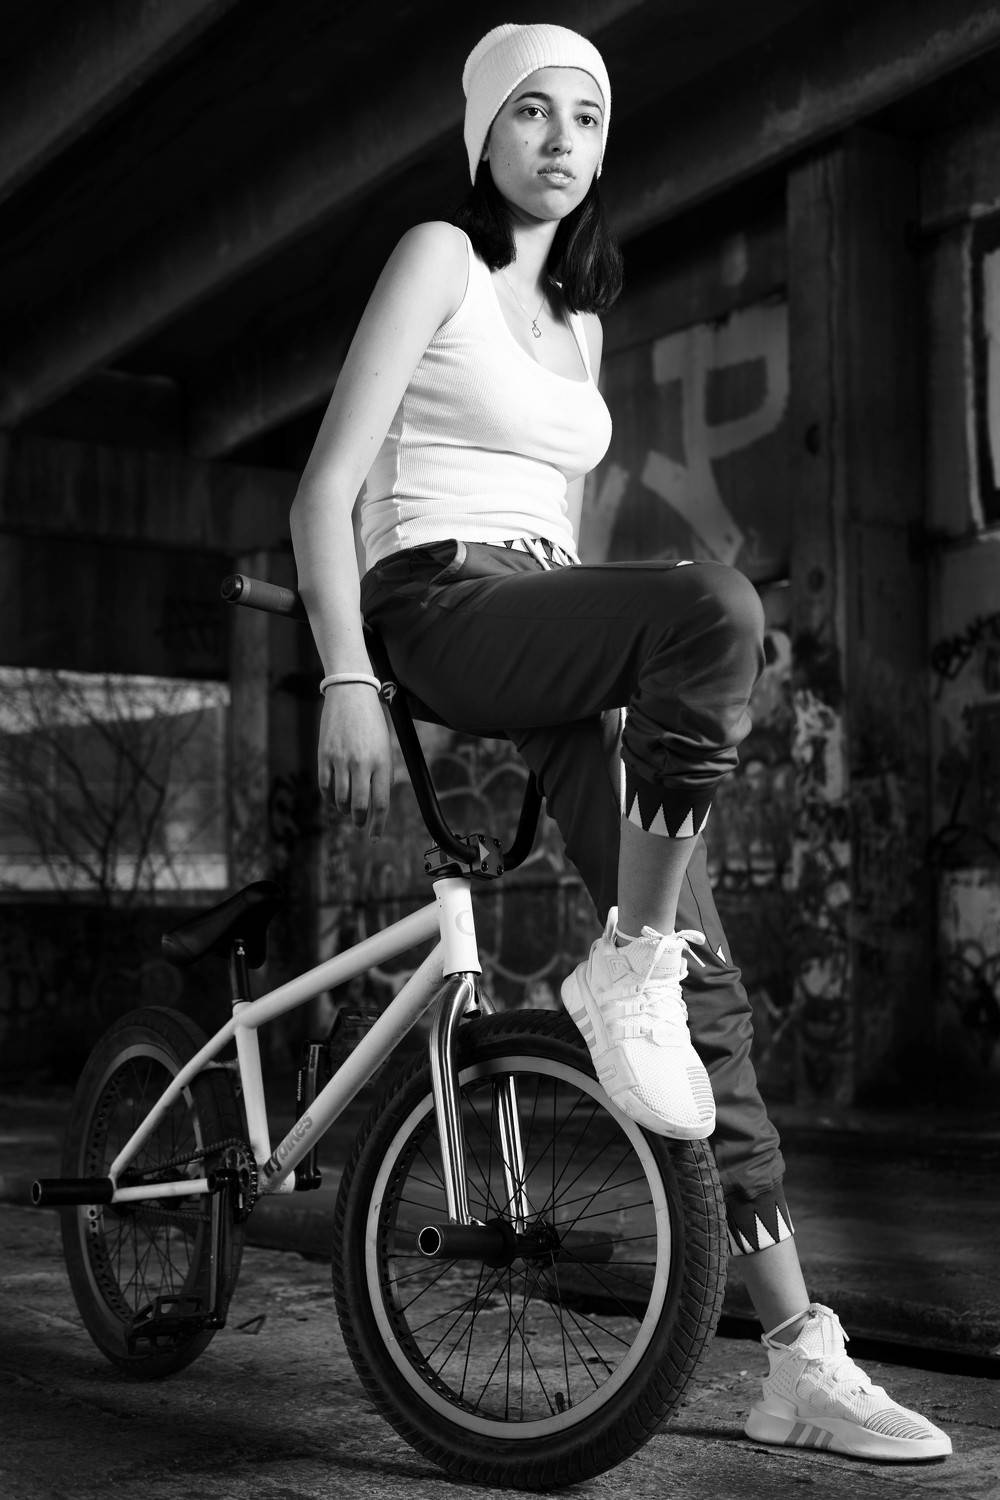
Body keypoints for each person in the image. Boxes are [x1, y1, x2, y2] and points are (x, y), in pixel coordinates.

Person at [289, 20, 951, 1465]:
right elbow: (324, 489)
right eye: (531, 111)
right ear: (484, 135)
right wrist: (343, 672)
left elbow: (571, 550)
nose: (562, 140)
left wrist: (595, 694)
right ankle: (627, 959)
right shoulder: (438, 259)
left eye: (586, 116)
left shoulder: (581, 324)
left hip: (543, 615)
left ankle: (797, 1358)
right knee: (716, 607)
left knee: (707, 998)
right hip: (437, 598)